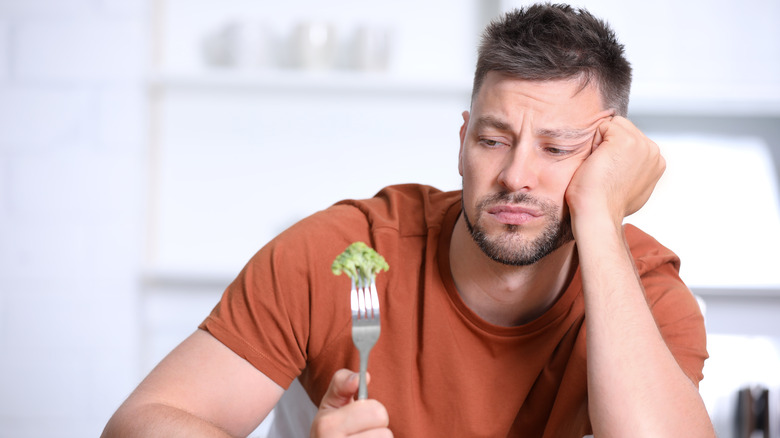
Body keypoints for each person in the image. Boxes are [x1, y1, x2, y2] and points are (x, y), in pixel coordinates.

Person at [102, 4, 715, 437]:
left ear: (609, 160)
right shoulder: (340, 253)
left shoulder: (648, 293)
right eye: (494, 140)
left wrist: (601, 219)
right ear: (462, 142)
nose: (515, 176)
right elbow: (140, 423)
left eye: (556, 149)